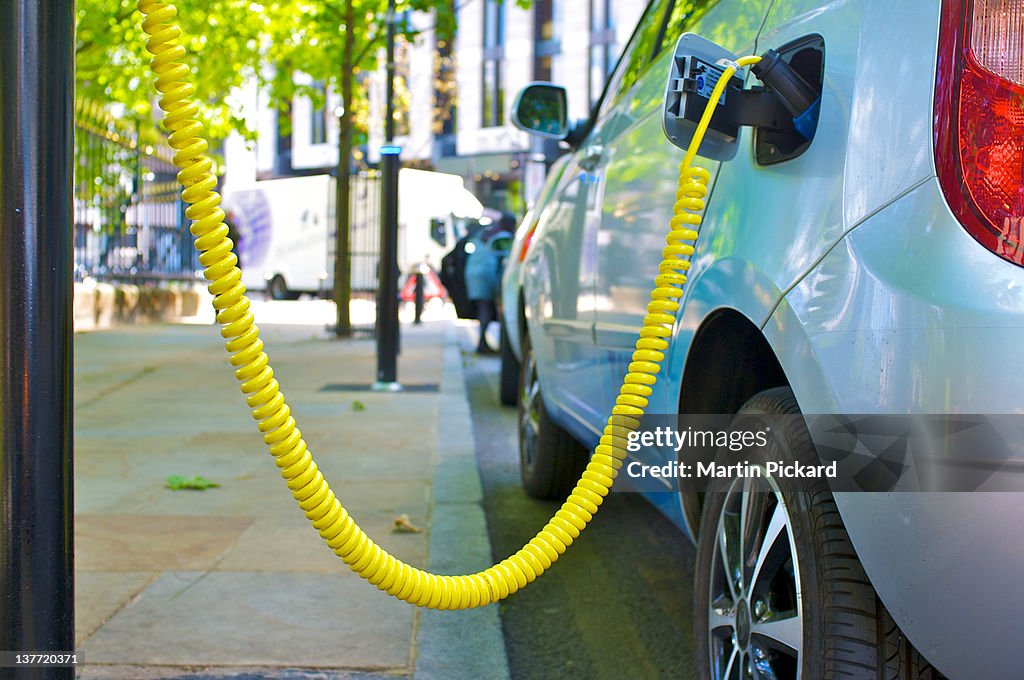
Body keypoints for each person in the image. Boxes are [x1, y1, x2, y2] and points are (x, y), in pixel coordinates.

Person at [463, 213, 514, 354]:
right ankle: (482, 343)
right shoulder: (503, 236)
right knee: (486, 308)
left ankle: (482, 342)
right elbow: (509, 255)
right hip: (487, 273)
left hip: (472, 271)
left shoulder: (484, 231)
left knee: (482, 308)